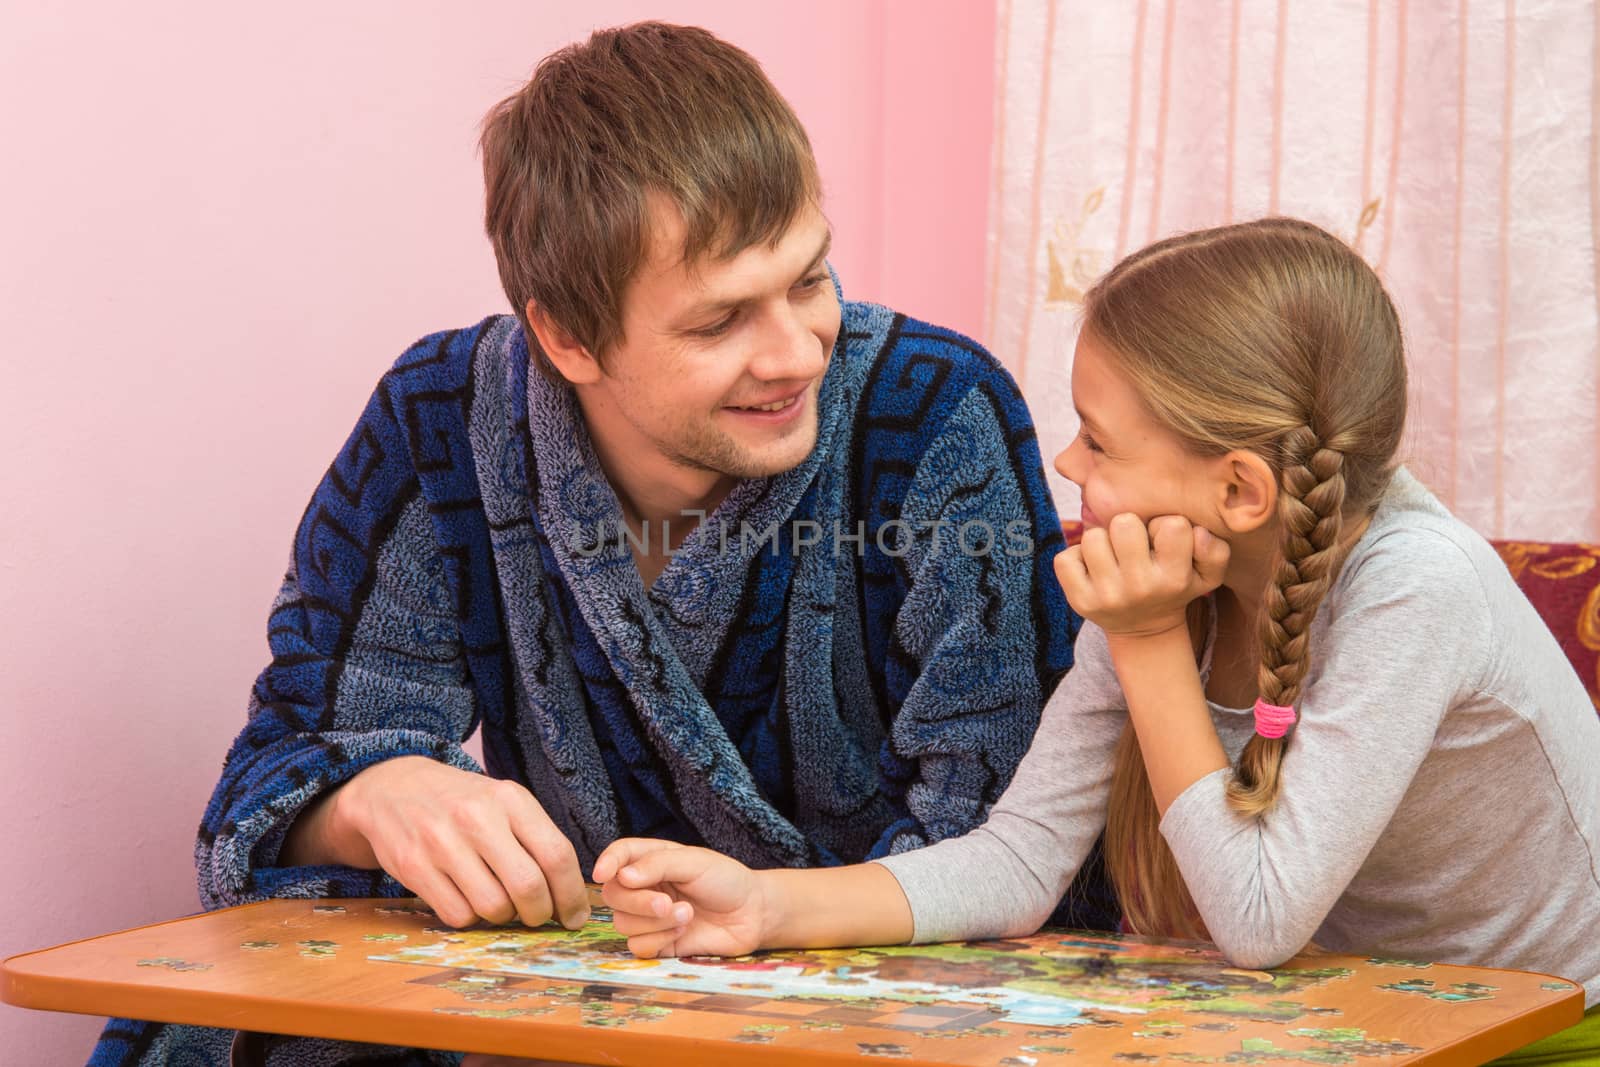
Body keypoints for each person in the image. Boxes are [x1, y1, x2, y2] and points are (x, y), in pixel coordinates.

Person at [88, 20, 1112, 1067]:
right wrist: (375, 794)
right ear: (566, 337)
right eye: (719, 323)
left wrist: (760, 928)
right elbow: (260, 803)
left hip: (872, 986)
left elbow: (1016, 850)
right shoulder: (442, 419)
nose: (799, 348)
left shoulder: (936, 410)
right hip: (571, 997)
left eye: (809, 278)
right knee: (208, 1025)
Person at [596, 217, 1600, 1059]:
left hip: (1552, 1029)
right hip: (1363, 1021)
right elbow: (1022, 857)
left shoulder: (1417, 584)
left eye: (1100, 440)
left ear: (1240, 490)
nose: (1067, 458)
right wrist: (763, 907)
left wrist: (1151, 638)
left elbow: (1258, 917)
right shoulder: (1166, 567)